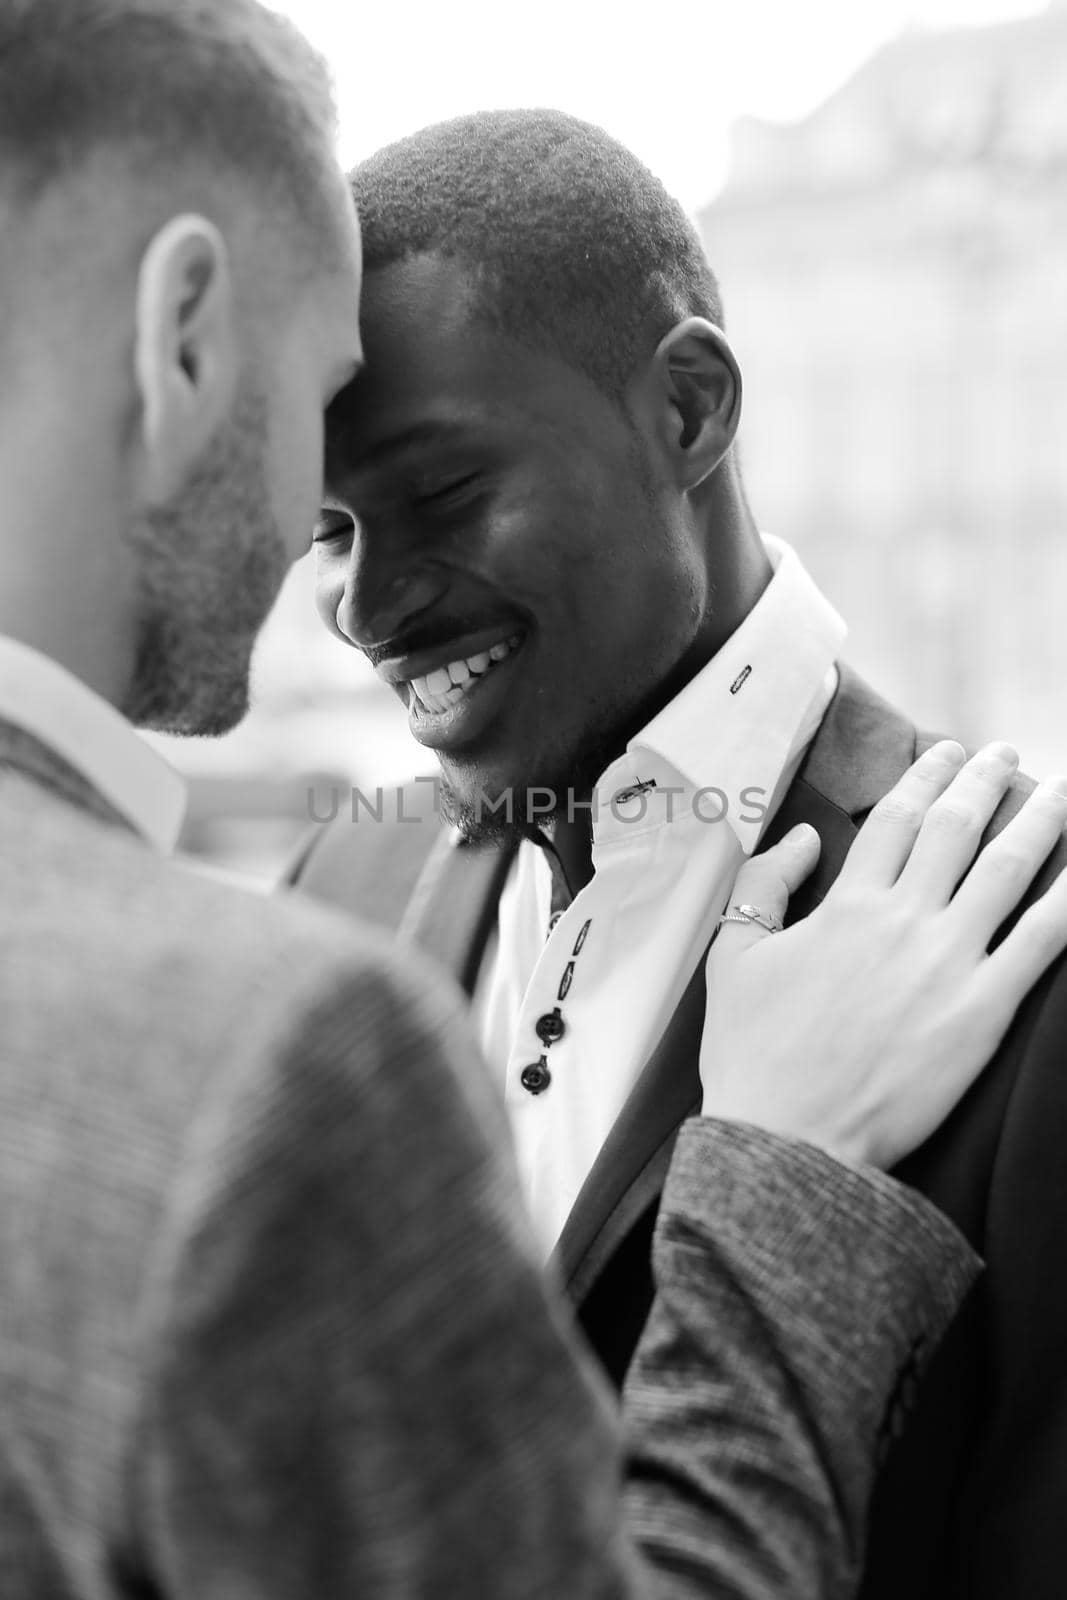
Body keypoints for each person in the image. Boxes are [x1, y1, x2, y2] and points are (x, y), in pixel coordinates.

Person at [303, 108, 1067, 1600]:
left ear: (693, 411)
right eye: (326, 532)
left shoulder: (1026, 948)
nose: (368, 604)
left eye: (444, 496)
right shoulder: (343, 900)